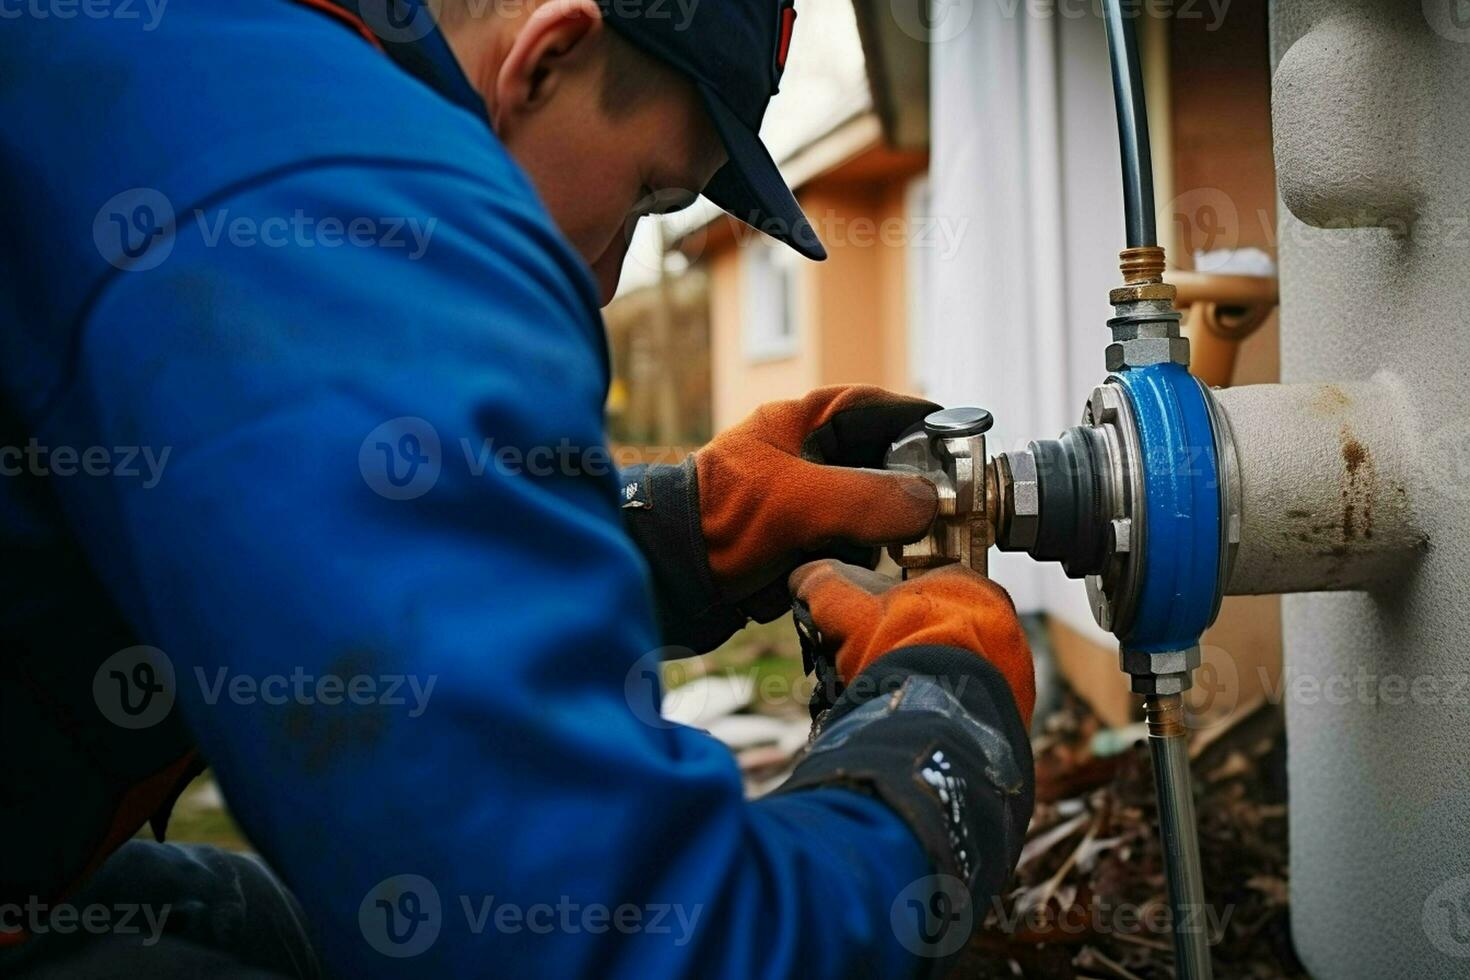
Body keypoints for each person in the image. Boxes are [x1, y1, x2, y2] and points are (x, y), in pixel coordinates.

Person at [0, 0, 1037, 975]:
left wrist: (687, 528)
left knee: (259, 928)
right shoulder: (342, 205)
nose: (608, 277)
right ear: (544, 57)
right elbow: (623, 940)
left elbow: (334, 564)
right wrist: (940, 740)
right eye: (646, 192)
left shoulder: (214, 78)